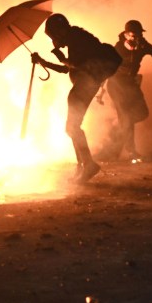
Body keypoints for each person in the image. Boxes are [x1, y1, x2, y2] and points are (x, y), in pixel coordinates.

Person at [31, 13, 121, 183]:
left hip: (84, 86)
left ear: (59, 31)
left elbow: (75, 65)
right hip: (84, 85)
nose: (53, 41)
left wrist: (63, 59)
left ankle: (88, 165)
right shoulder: (78, 37)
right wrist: (44, 62)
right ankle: (82, 166)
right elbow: (69, 69)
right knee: (71, 127)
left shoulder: (76, 39)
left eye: (53, 37)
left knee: (72, 126)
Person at [104, 20, 152, 163]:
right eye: (133, 35)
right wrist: (100, 90)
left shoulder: (144, 47)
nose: (136, 38)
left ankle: (119, 131)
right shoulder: (118, 47)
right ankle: (130, 150)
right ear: (126, 35)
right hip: (116, 85)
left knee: (141, 113)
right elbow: (106, 67)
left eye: (138, 35)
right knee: (125, 117)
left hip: (131, 84)